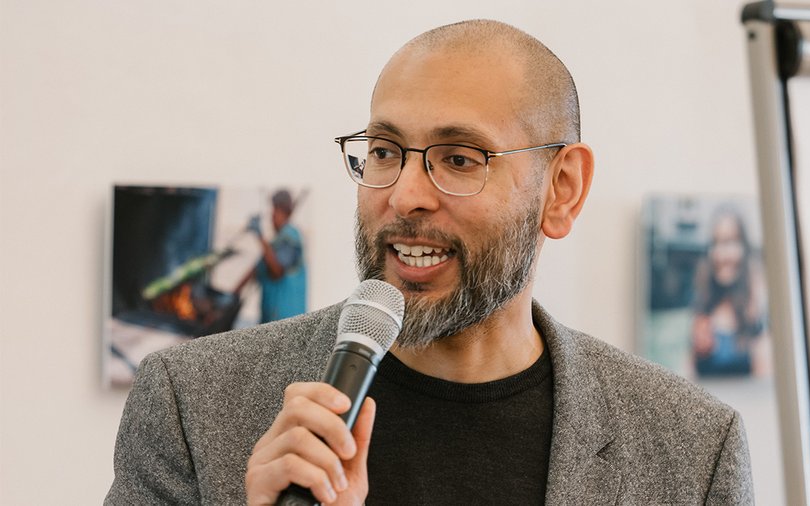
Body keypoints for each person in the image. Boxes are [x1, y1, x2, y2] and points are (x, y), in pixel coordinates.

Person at [107, 20, 753, 505]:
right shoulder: (189, 407)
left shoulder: (693, 450)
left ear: (561, 190)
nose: (405, 195)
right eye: (385, 151)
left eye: (459, 159)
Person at [692, 205, 769, 377]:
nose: (721, 255)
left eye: (730, 242)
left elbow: (764, 377)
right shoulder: (703, 304)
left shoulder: (757, 307)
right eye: (716, 243)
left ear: (745, 247)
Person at [237, 189, 308, 323]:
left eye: (274, 212)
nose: (272, 217)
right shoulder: (275, 242)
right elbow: (255, 270)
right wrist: (232, 295)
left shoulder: (290, 236)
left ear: (281, 211)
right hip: (272, 319)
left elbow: (277, 270)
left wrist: (260, 236)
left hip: (286, 320)